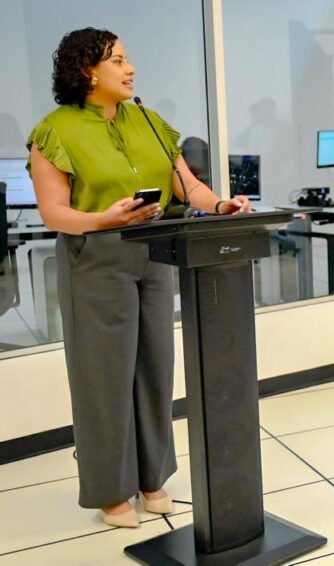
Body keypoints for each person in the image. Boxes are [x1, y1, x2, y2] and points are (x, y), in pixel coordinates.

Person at [26, 28, 252, 528]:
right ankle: (110, 489)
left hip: (154, 254)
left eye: (127, 59)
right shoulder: (54, 132)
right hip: (95, 260)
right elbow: (53, 212)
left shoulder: (149, 121)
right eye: (118, 61)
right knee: (103, 377)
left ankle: (152, 477)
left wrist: (219, 204)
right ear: (87, 71)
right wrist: (103, 219)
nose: (130, 69)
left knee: (155, 368)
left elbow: (186, 185)